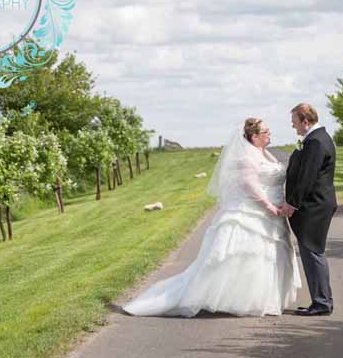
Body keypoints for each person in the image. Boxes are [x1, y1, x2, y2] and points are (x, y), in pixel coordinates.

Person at [122, 118, 302, 317]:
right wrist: (269, 207)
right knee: (249, 254)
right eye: (265, 132)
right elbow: (249, 185)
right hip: (256, 210)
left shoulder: (265, 153)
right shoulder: (246, 157)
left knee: (267, 255)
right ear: (254, 136)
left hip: (274, 212)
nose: (269, 134)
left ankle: (263, 297)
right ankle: (237, 298)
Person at [278, 103, 338, 316]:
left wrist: (292, 203)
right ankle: (322, 301)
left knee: (313, 252)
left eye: (294, 122)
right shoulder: (315, 138)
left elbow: (307, 177)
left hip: (314, 207)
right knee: (312, 252)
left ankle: (321, 303)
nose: (293, 126)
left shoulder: (316, 142)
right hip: (315, 206)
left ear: (305, 120)